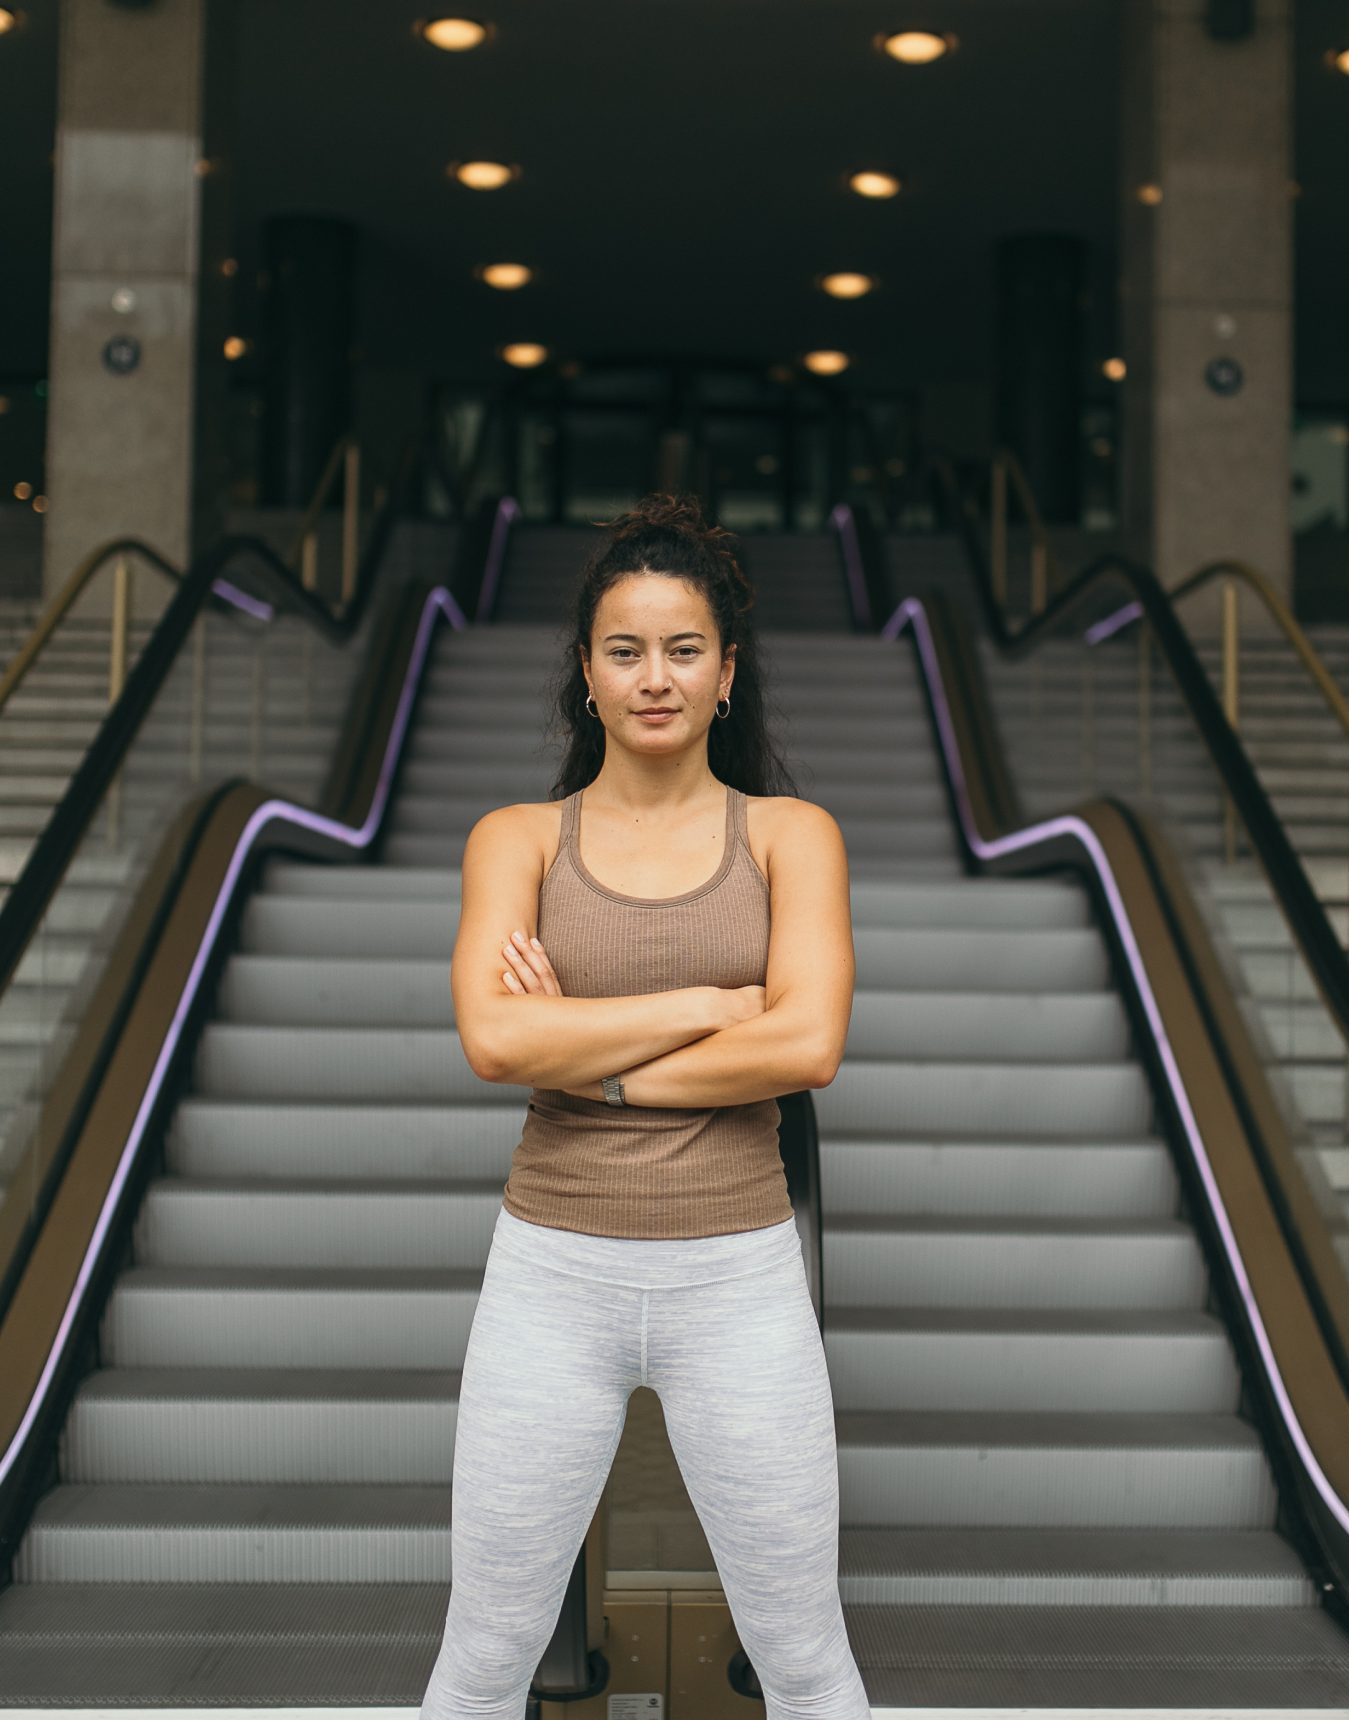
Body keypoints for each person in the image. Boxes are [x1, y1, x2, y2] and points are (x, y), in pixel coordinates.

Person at [418, 494, 869, 1720]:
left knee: (808, 1661)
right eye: (624, 650)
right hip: (550, 1272)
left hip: (738, 1278)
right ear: (586, 674)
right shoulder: (516, 838)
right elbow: (495, 1036)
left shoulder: (790, 836)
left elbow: (809, 1043)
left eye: (683, 650)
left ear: (726, 672)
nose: (653, 677)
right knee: (482, 1658)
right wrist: (715, 1002)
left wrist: (591, 1060)